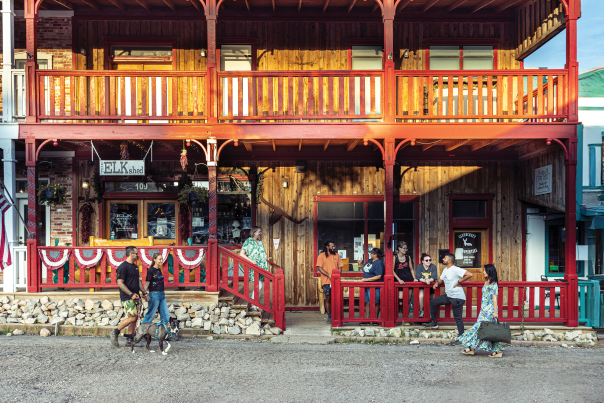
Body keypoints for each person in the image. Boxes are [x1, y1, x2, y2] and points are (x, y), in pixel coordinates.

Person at [422, 252, 473, 344]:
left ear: (449, 261)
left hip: (457, 297)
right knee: (433, 302)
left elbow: (469, 274)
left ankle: (462, 339)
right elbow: (441, 279)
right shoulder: (446, 270)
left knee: (458, 318)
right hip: (449, 296)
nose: (443, 259)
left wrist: (459, 281)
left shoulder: (455, 269)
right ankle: (433, 321)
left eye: (444, 258)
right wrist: (437, 283)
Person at [458, 264, 504, 357]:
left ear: (490, 271)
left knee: (481, 329)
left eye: (485, 271)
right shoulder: (487, 282)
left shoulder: (494, 284)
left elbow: (495, 299)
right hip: (483, 310)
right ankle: (497, 351)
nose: (483, 272)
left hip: (489, 311)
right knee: (489, 330)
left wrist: (495, 312)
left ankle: (471, 347)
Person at [110, 246, 149, 348]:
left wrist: (144, 293)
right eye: (136, 253)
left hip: (136, 296)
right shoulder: (123, 267)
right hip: (127, 297)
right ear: (131, 254)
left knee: (135, 319)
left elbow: (138, 281)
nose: (138, 255)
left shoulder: (135, 267)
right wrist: (130, 294)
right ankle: (115, 333)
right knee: (133, 317)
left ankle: (130, 340)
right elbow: (120, 283)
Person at [239, 226, 268, 310]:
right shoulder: (248, 241)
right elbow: (242, 254)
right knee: (257, 286)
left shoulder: (260, 242)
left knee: (260, 286)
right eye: (259, 232)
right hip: (254, 266)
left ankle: (255, 304)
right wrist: (251, 261)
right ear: (254, 232)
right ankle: (253, 304)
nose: (261, 233)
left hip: (262, 266)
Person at [316, 240, 343, 323]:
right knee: (328, 299)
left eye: (334, 246)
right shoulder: (321, 255)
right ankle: (329, 316)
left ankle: (337, 316)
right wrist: (329, 275)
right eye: (332, 246)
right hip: (326, 281)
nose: (333, 248)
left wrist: (336, 275)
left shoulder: (337, 255)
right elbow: (320, 268)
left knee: (337, 299)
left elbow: (340, 267)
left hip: (336, 281)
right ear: (327, 247)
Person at [141, 253, 170, 328]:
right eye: (159, 259)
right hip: (154, 295)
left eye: (162, 259)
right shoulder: (151, 271)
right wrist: (144, 293)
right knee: (150, 314)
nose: (161, 260)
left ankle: (167, 333)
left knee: (166, 314)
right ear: (154, 260)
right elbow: (147, 282)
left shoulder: (158, 270)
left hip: (162, 295)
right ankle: (141, 332)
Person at [357, 248, 384, 321]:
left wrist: (366, 279)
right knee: (367, 302)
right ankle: (367, 319)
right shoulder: (370, 260)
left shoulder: (379, 263)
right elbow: (364, 270)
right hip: (365, 285)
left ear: (375, 255)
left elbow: (379, 276)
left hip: (374, 286)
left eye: (372, 253)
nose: (370, 254)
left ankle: (375, 319)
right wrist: (360, 265)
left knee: (375, 302)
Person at [392, 241, 416, 317]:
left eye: (406, 248)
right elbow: (392, 271)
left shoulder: (407, 257)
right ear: (399, 248)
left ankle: (405, 318)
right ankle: (402, 316)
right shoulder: (395, 258)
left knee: (408, 301)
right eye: (404, 248)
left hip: (409, 280)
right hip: (400, 282)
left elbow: (411, 269)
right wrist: (399, 280)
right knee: (401, 302)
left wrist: (414, 278)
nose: (405, 250)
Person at [414, 253, 438, 318]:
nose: (428, 261)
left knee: (431, 298)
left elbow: (434, 277)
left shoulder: (433, 266)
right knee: (421, 296)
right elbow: (419, 278)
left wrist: (429, 280)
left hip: (430, 286)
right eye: (426, 260)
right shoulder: (419, 266)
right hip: (422, 285)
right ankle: (421, 311)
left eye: (429, 260)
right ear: (422, 261)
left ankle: (429, 313)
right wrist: (425, 281)